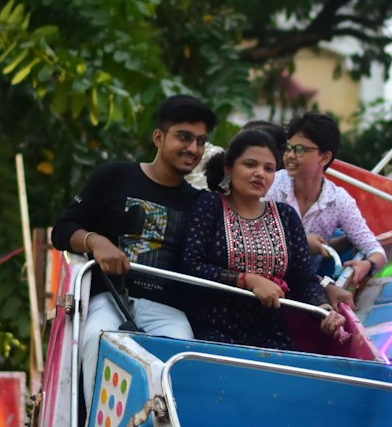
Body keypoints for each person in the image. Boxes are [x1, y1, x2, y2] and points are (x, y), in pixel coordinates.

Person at [51, 95, 217, 401]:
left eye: (201, 141)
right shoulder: (114, 176)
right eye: (184, 137)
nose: (193, 149)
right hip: (111, 299)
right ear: (158, 137)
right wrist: (95, 241)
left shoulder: (200, 203)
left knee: (181, 364)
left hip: (169, 310)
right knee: (98, 343)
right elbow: (62, 230)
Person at [180, 128, 345, 350]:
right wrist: (248, 280)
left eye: (269, 169)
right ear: (228, 167)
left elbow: (303, 280)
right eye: (250, 165)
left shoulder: (285, 216)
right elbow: (190, 266)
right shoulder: (209, 205)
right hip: (213, 329)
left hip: (271, 334)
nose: (260, 173)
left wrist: (324, 310)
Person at [265, 111, 387, 293]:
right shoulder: (271, 185)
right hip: (264, 281)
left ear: (325, 157)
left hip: (305, 288)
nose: (290, 155)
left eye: (300, 150)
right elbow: (249, 240)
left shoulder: (338, 200)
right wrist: (301, 244)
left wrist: (367, 265)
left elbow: (377, 251)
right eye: (289, 148)